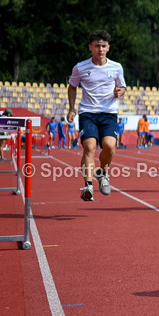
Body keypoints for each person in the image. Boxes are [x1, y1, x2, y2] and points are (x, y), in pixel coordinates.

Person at [67, 30, 126, 201]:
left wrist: (119, 91)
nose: (100, 49)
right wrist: (72, 109)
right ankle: (88, 186)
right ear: (90, 47)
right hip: (88, 112)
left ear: (108, 48)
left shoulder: (116, 67)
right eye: (97, 46)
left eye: (103, 46)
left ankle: (102, 173)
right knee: (90, 147)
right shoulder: (80, 67)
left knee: (109, 146)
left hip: (108, 113)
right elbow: (72, 87)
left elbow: (122, 87)